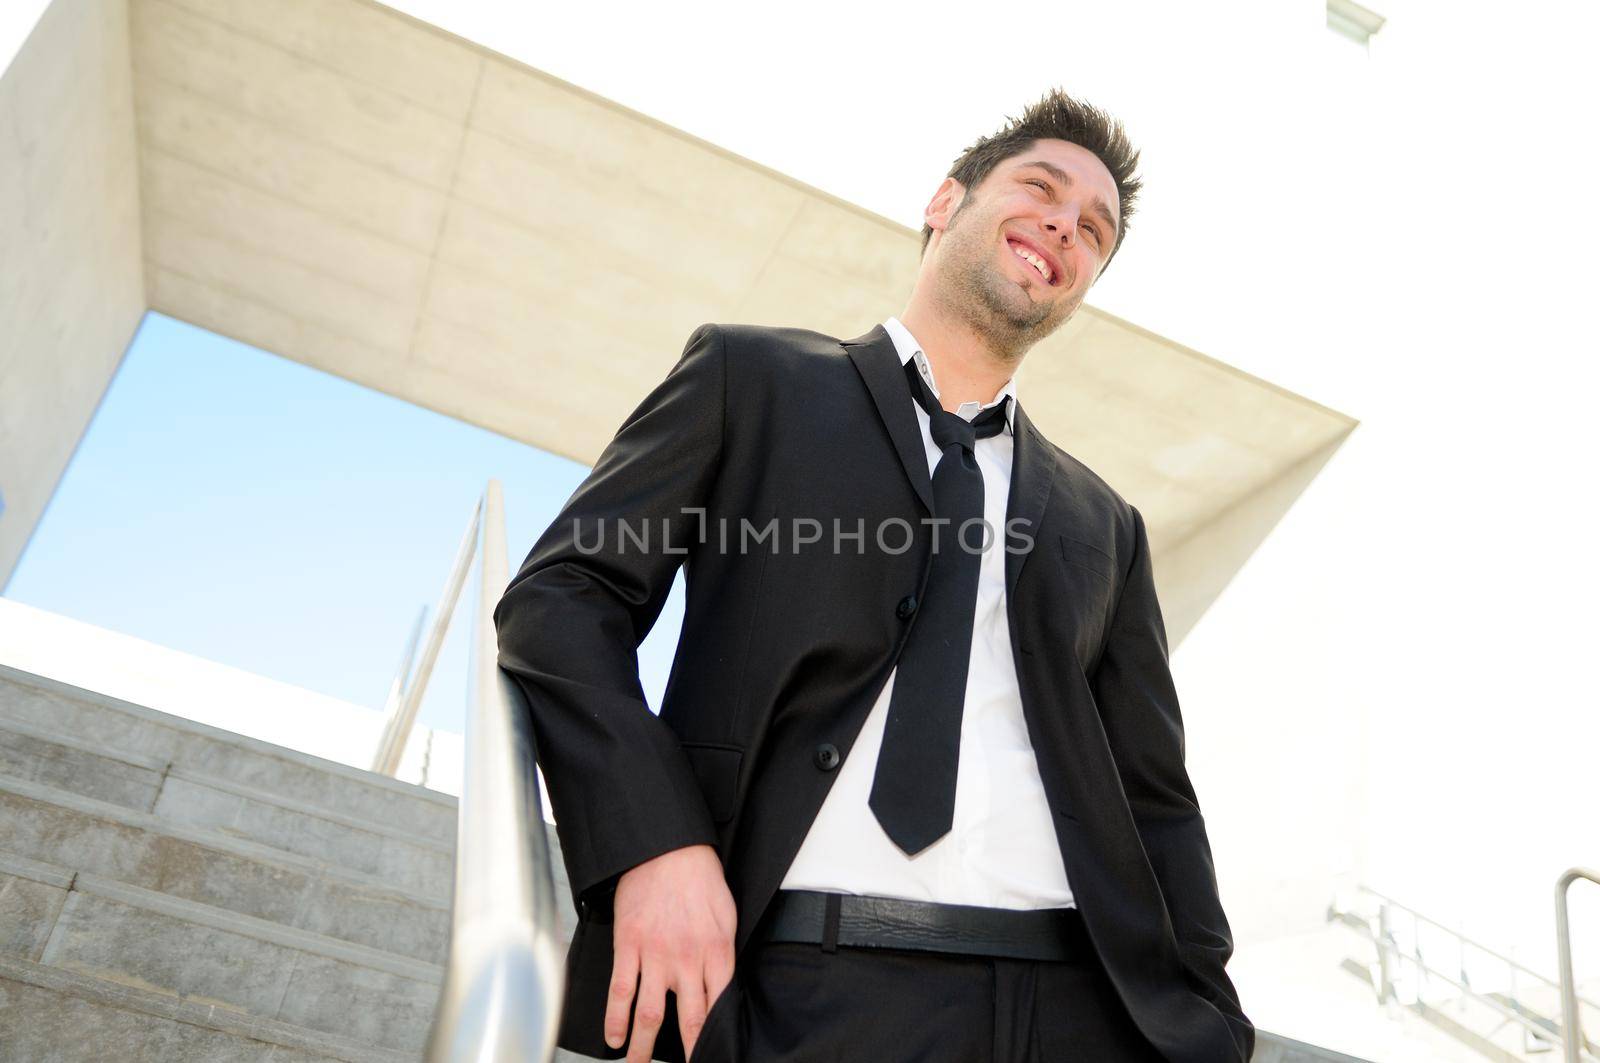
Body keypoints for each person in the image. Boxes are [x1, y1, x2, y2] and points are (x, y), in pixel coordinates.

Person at [494, 87, 1254, 1063]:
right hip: (798, 984)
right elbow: (563, 598)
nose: (1068, 225)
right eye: (1042, 188)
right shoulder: (750, 381)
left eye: (1095, 232)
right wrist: (652, 840)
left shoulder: (1106, 523)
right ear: (945, 200)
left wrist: (1210, 1025)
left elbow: (1156, 800)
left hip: (1073, 1014)